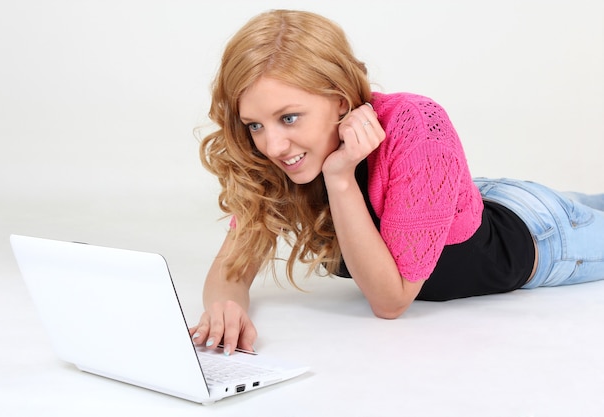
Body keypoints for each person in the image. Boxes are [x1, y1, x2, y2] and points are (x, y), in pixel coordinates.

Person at [190, 9, 604, 355]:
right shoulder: (285, 160)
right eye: (255, 125)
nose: (273, 145)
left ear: (339, 101)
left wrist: (340, 178)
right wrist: (225, 307)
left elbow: (391, 301)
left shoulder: (416, 122)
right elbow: (235, 265)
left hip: (542, 236)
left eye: (289, 117)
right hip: (466, 199)